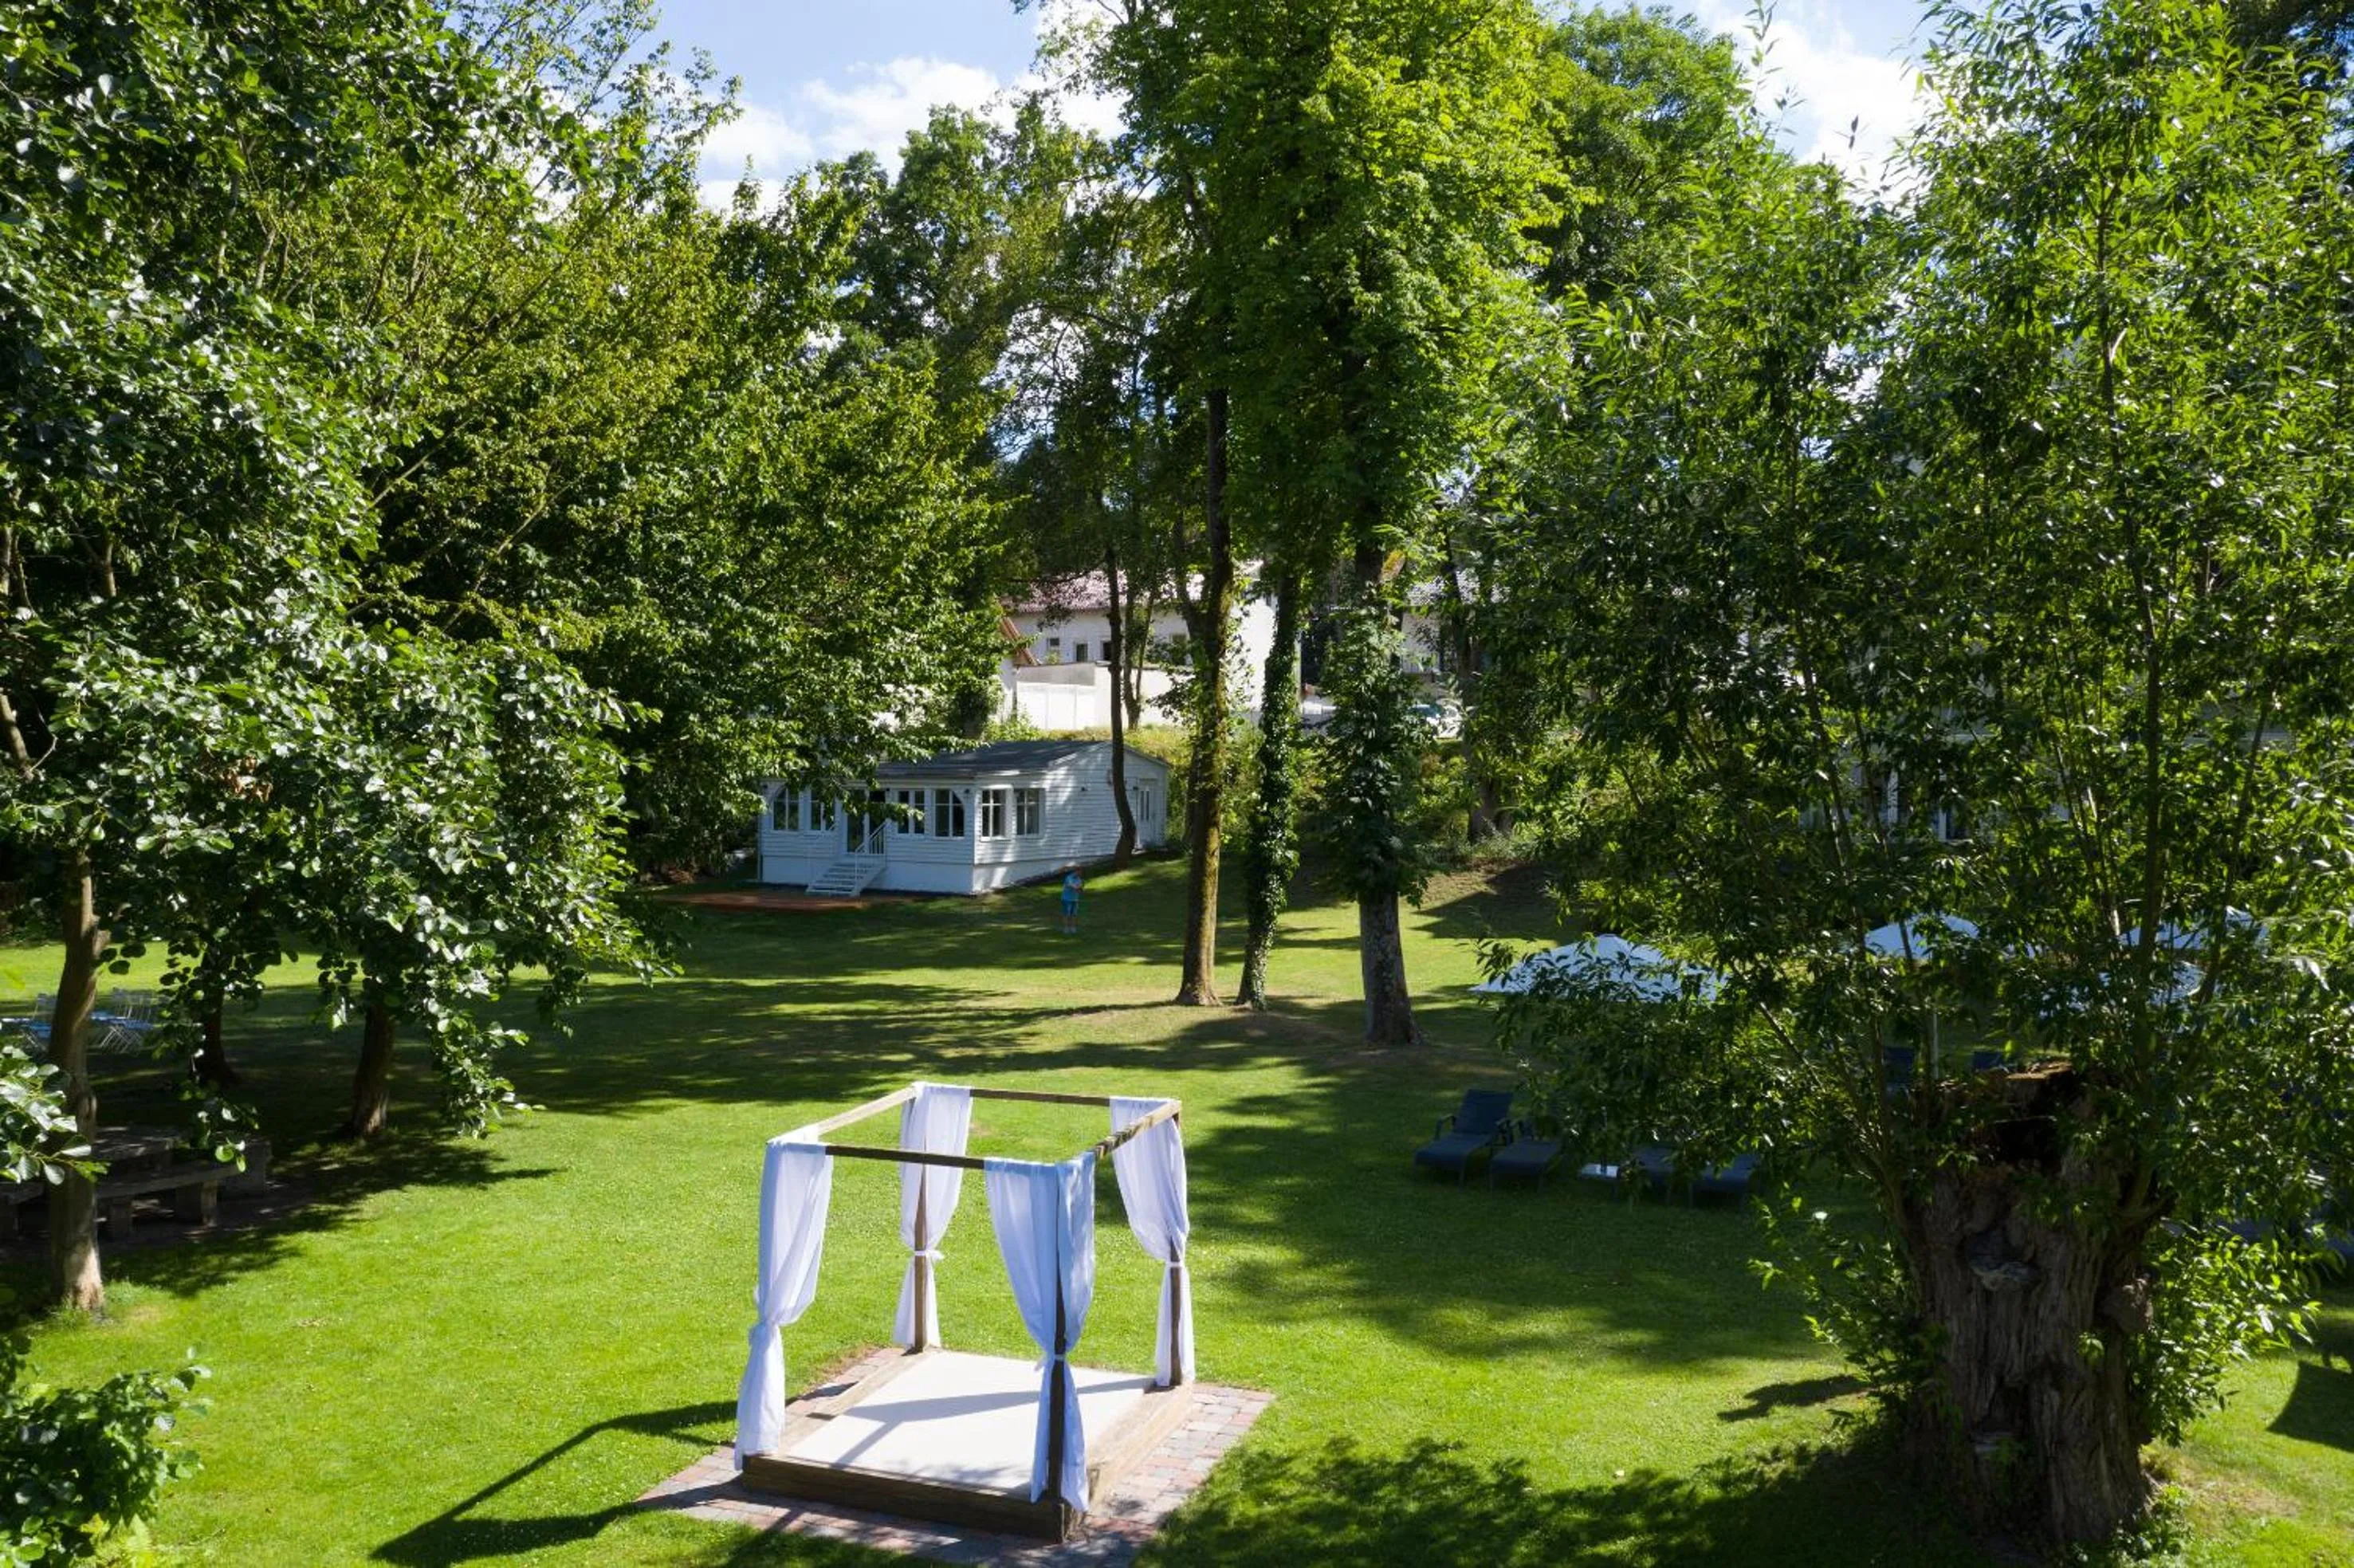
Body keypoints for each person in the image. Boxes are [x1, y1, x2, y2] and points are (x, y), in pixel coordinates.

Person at [1059, 867, 1083, 934]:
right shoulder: (1069, 878)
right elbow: (1072, 886)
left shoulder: (1079, 879)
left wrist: (1078, 888)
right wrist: (1077, 887)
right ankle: (1066, 928)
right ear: (1075, 871)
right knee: (1066, 914)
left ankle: (1073, 928)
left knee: (1074, 914)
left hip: (1075, 899)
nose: (1080, 873)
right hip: (1066, 899)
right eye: (1079, 872)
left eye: (1081, 872)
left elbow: (1079, 889)